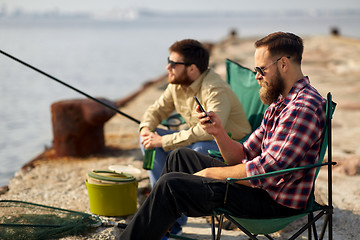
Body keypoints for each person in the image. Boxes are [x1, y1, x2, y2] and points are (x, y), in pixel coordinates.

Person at [121, 32, 326, 240]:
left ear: (283, 64)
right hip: (259, 188)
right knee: (179, 158)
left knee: (170, 186)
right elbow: (244, 153)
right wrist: (218, 132)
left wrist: (211, 174)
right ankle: (158, 230)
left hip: (272, 202)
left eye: (261, 69)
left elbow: (266, 172)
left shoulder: (301, 108)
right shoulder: (281, 103)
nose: (257, 76)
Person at [139, 39, 251, 235]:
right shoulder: (176, 84)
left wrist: (164, 140)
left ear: (192, 69)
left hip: (228, 145)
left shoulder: (214, 89)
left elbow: (208, 130)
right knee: (149, 142)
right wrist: (146, 129)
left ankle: (174, 220)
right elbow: (156, 110)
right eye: (168, 61)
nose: (168, 67)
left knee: (195, 149)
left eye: (173, 63)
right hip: (197, 139)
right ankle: (164, 210)